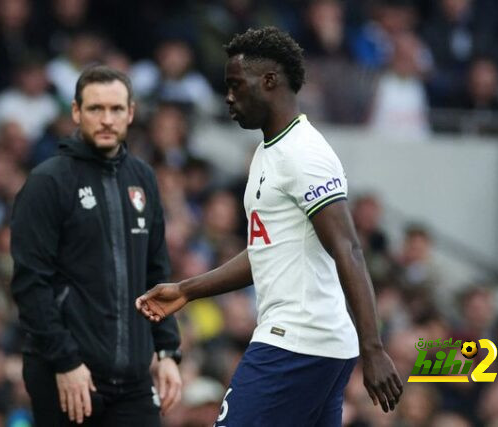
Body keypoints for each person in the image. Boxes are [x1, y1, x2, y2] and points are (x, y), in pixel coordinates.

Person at [136, 27, 402, 426]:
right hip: (314, 342)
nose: (228, 97)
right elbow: (266, 251)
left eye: (235, 85)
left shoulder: (304, 154)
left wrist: (374, 348)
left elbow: (349, 248)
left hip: (297, 341)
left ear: (270, 81)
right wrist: (187, 290)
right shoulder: (267, 152)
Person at [10, 65, 182, 426]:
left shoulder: (143, 178)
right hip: (69, 372)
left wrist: (167, 351)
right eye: (95, 109)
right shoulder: (48, 182)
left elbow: (157, 271)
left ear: (131, 113)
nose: (107, 119)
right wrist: (66, 361)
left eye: (116, 109)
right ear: (76, 111)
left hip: (134, 379)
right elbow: (31, 284)